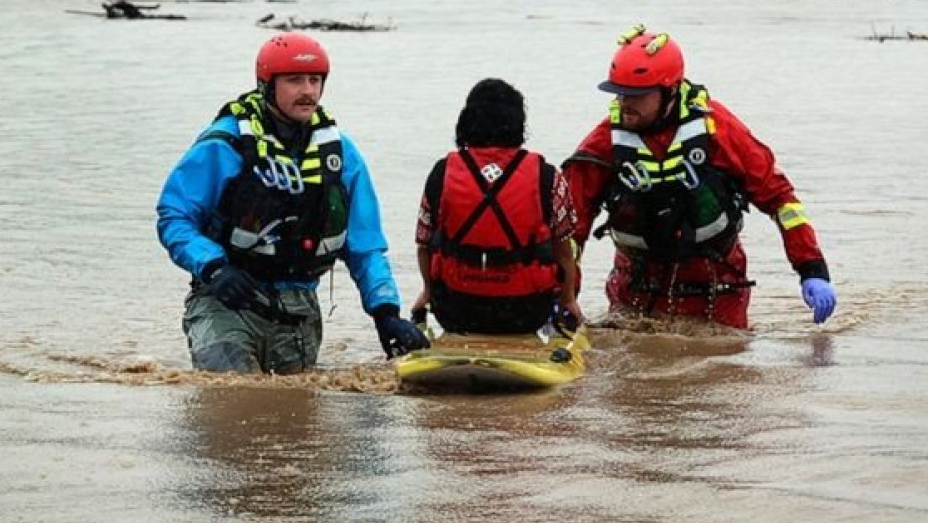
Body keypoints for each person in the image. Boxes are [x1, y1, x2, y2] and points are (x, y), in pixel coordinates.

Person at [156, 32, 428, 374]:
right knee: (234, 397)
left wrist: (385, 314)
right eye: (294, 80)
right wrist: (214, 267)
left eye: (315, 80)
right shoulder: (224, 145)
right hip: (226, 302)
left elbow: (365, 246)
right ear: (266, 85)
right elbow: (174, 217)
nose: (308, 91)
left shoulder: (341, 155)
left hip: (299, 312)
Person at [561, 25, 838, 329]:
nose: (626, 103)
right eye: (621, 93)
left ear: (669, 90)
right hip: (635, 288)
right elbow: (569, 230)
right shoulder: (603, 144)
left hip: (717, 287)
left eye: (638, 95)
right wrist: (561, 298)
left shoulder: (719, 131)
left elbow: (781, 201)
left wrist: (812, 269)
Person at [409, 78, 583, 336]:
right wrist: (568, 301)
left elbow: (423, 245)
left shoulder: (441, 172)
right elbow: (564, 253)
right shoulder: (547, 176)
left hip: (455, 310)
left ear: (466, 120)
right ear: (518, 123)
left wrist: (427, 292)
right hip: (526, 312)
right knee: (561, 241)